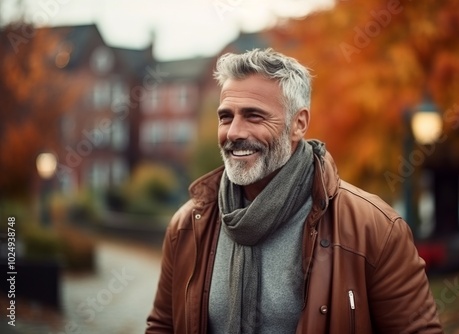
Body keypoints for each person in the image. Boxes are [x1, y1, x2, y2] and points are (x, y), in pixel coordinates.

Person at [146, 48, 442, 333]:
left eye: (254, 116)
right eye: (226, 117)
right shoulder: (187, 227)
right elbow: (163, 326)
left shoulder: (374, 229)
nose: (234, 132)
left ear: (298, 124)